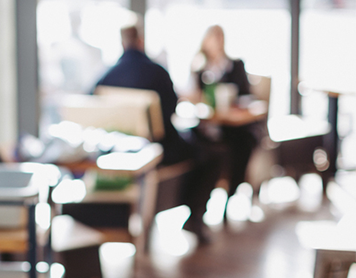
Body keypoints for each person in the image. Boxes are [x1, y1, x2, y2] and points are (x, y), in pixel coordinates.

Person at [94, 21, 221, 244]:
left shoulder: (107, 75)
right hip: (159, 148)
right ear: (141, 41)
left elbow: (94, 105)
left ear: (122, 43)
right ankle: (195, 217)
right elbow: (172, 110)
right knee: (210, 155)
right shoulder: (157, 71)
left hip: (122, 150)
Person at [193, 25, 258, 199]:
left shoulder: (234, 65)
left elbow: (247, 95)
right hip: (209, 126)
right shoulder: (201, 69)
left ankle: (232, 192)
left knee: (242, 144)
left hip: (234, 126)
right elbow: (196, 97)